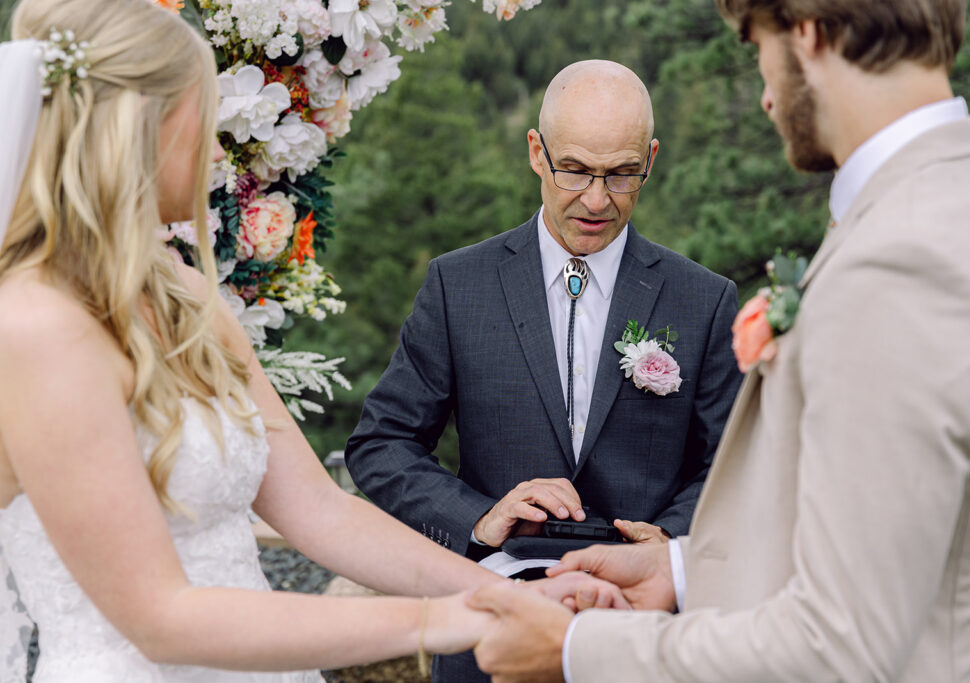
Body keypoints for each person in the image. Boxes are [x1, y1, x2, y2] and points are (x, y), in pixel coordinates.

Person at [0, 1, 625, 681]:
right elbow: (160, 616)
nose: (215, 151)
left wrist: (504, 593)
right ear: (138, 129)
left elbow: (320, 510)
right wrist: (446, 619)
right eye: (200, 119)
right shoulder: (36, 327)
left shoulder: (184, 296)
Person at [469, 0, 970, 681]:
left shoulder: (904, 260)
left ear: (807, 33)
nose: (764, 94)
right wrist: (679, 568)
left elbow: (840, 646)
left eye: (754, 42)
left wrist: (576, 650)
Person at [344, 59, 743, 681]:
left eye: (621, 175)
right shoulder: (458, 284)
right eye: (576, 170)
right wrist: (476, 518)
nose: (596, 199)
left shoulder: (705, 299)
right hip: (492, 625)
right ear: (537, 152)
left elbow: (733, 466)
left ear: (652, 161)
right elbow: (382, 445)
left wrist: (667, 545)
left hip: (646, 635)